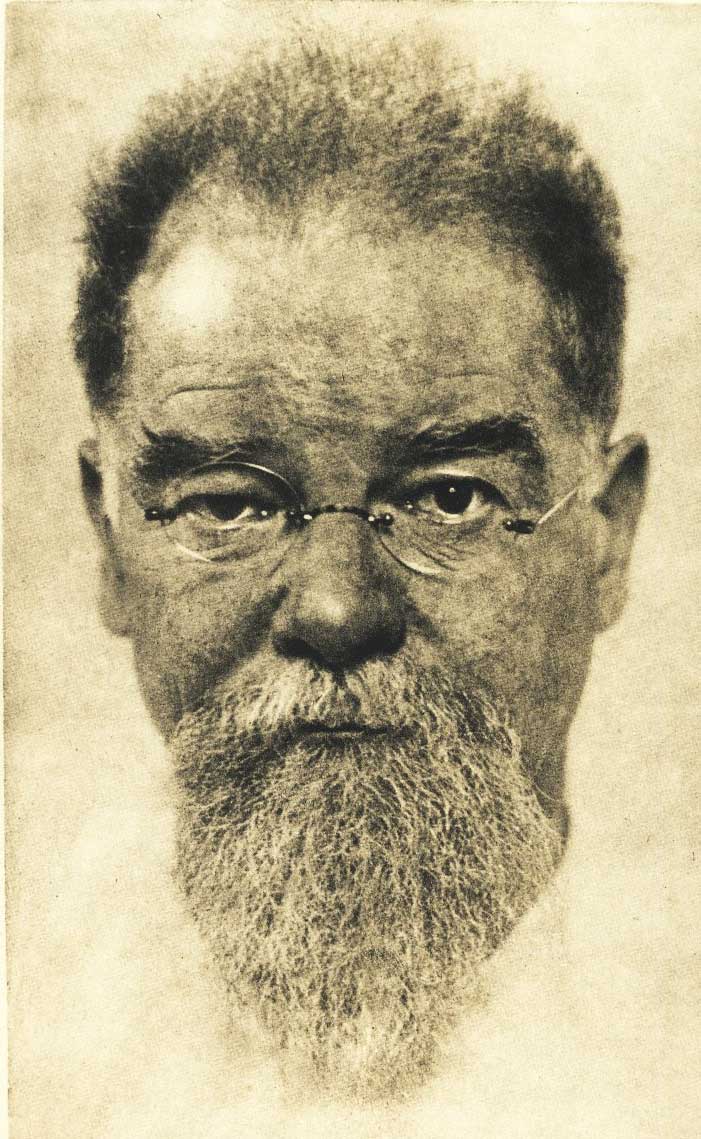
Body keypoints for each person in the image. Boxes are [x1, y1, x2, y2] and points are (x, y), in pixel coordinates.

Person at [73, 39, 647, 1101]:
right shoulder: (39, 1037)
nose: (337, 606)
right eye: (228, 503)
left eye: (450, 496)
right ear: (110, 543)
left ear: (607, 534)